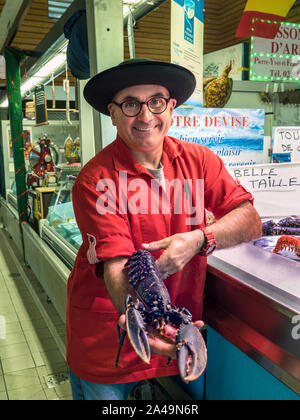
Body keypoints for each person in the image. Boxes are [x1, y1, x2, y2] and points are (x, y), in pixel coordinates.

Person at [66, 58, 262, 400]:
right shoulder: (95, 179)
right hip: (107, 338)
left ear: (171, 108)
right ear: (112, 113)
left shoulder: (200, 160)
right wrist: (135, 315)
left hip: (177, 333)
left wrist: (200, 238)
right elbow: (116, 265)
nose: (145, 116)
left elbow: (249, 219)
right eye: (131, 104)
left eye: (155, 101)